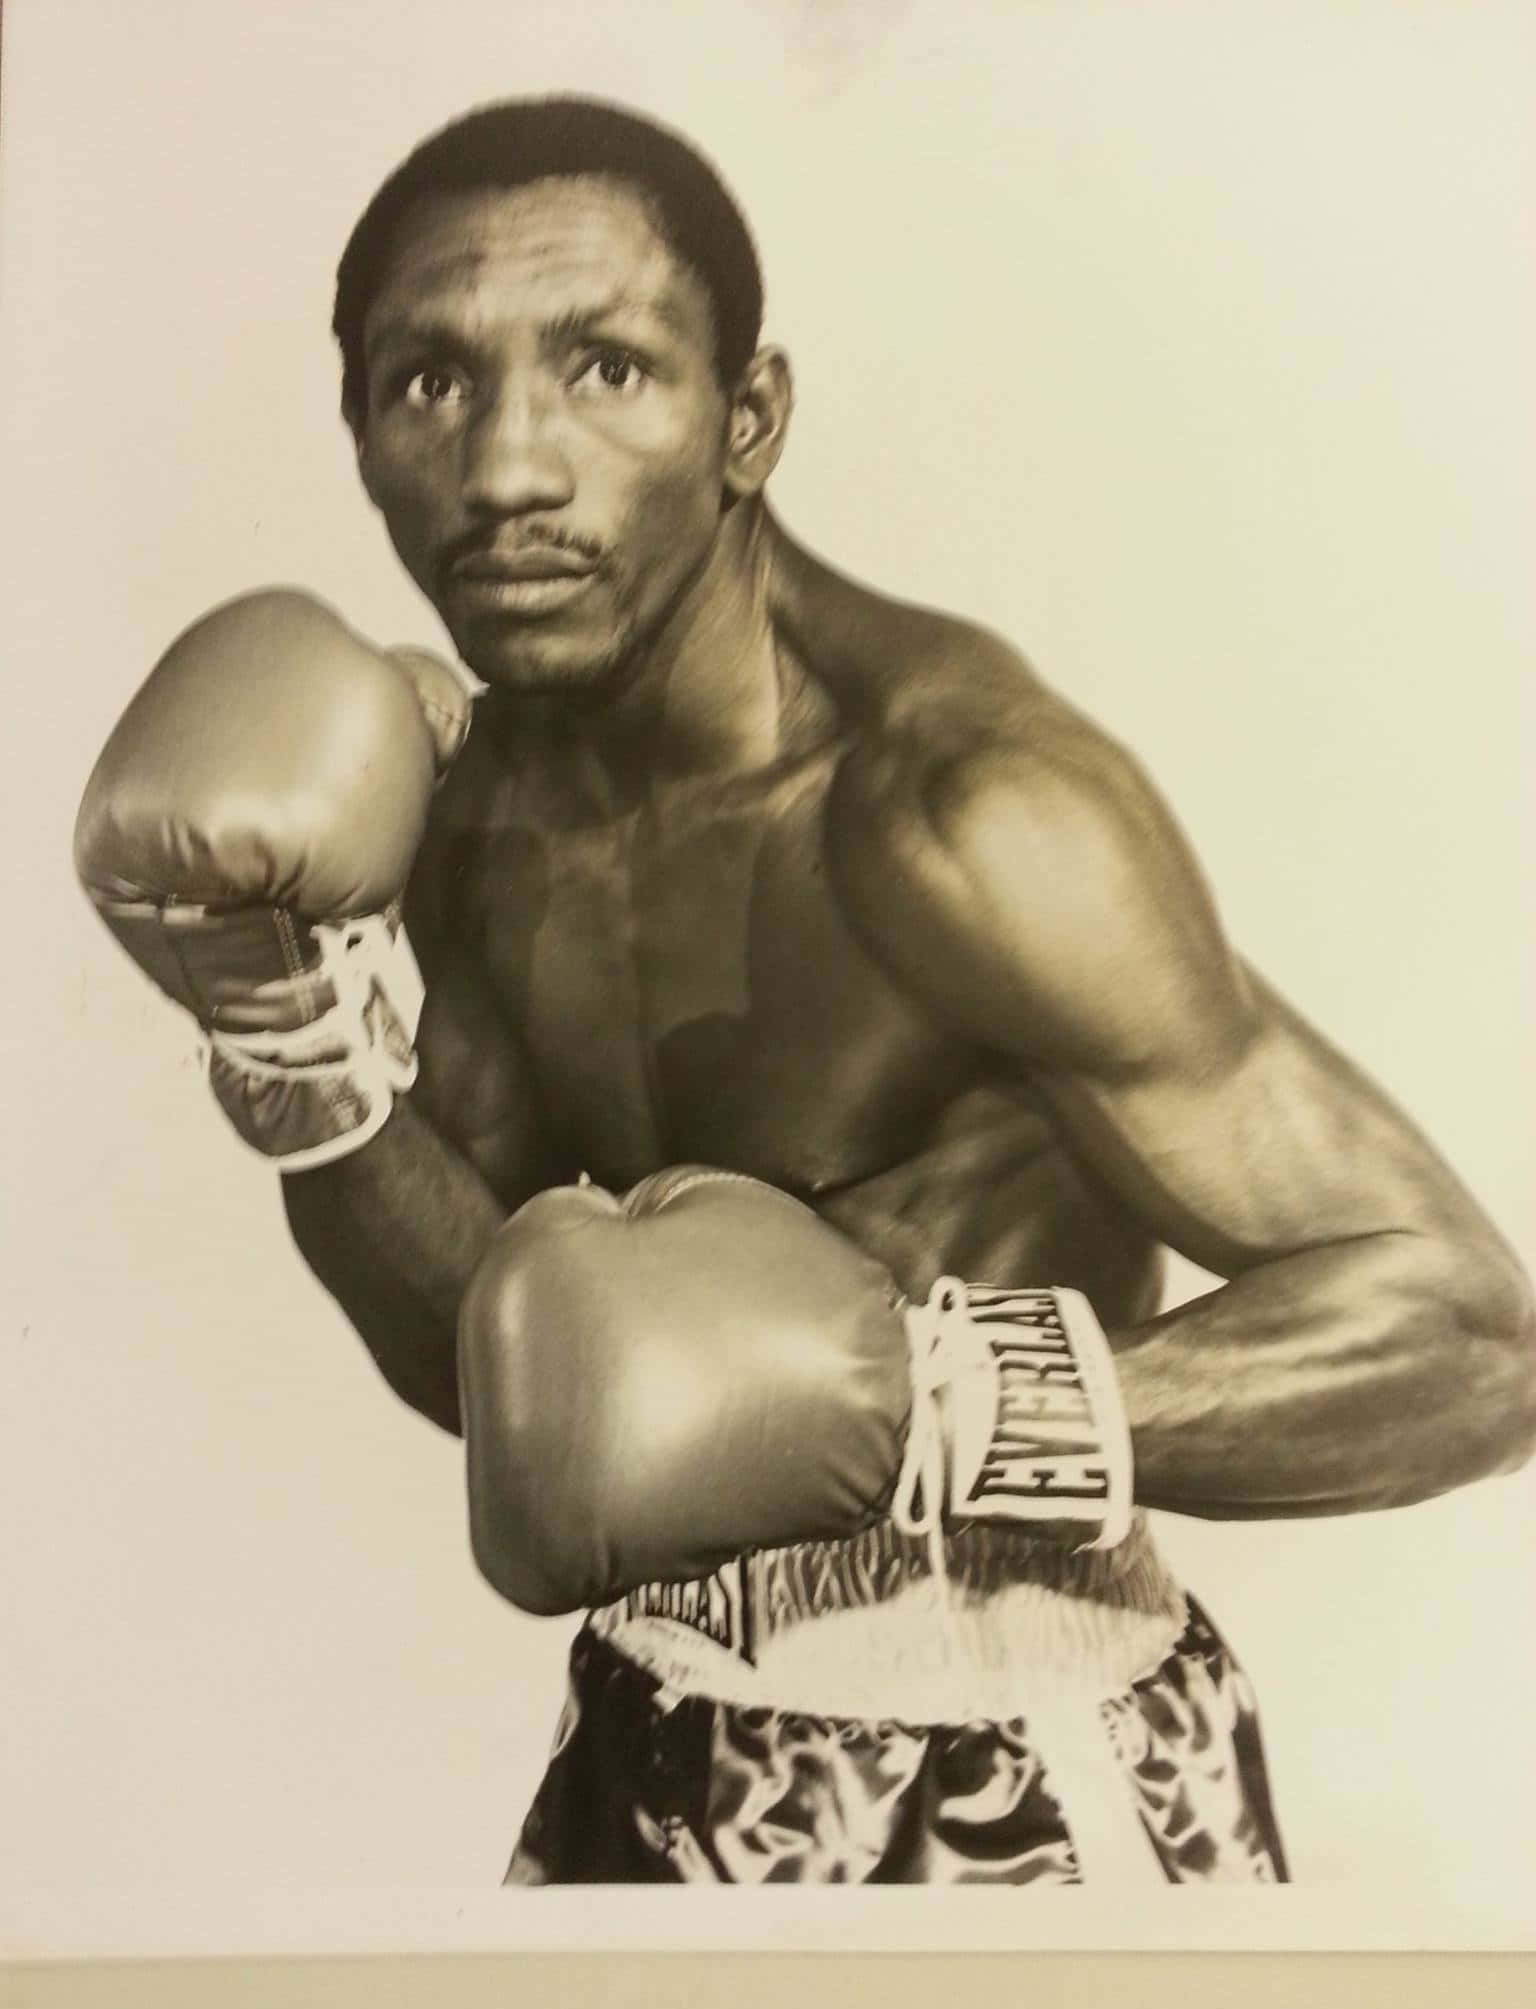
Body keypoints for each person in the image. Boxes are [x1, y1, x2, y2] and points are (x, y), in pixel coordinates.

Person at [74, 97, 1535, 1886]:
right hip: (657, 1718)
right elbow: (515, 1388)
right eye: (432, 383)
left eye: (607, 369)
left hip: (1026, 1762)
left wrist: (931, 1409)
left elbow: (1470, 1341)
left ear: (748, 419)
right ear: (364, 435)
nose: (508, 469)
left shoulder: (960, 809)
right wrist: (295, 1037)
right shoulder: (458, 810)